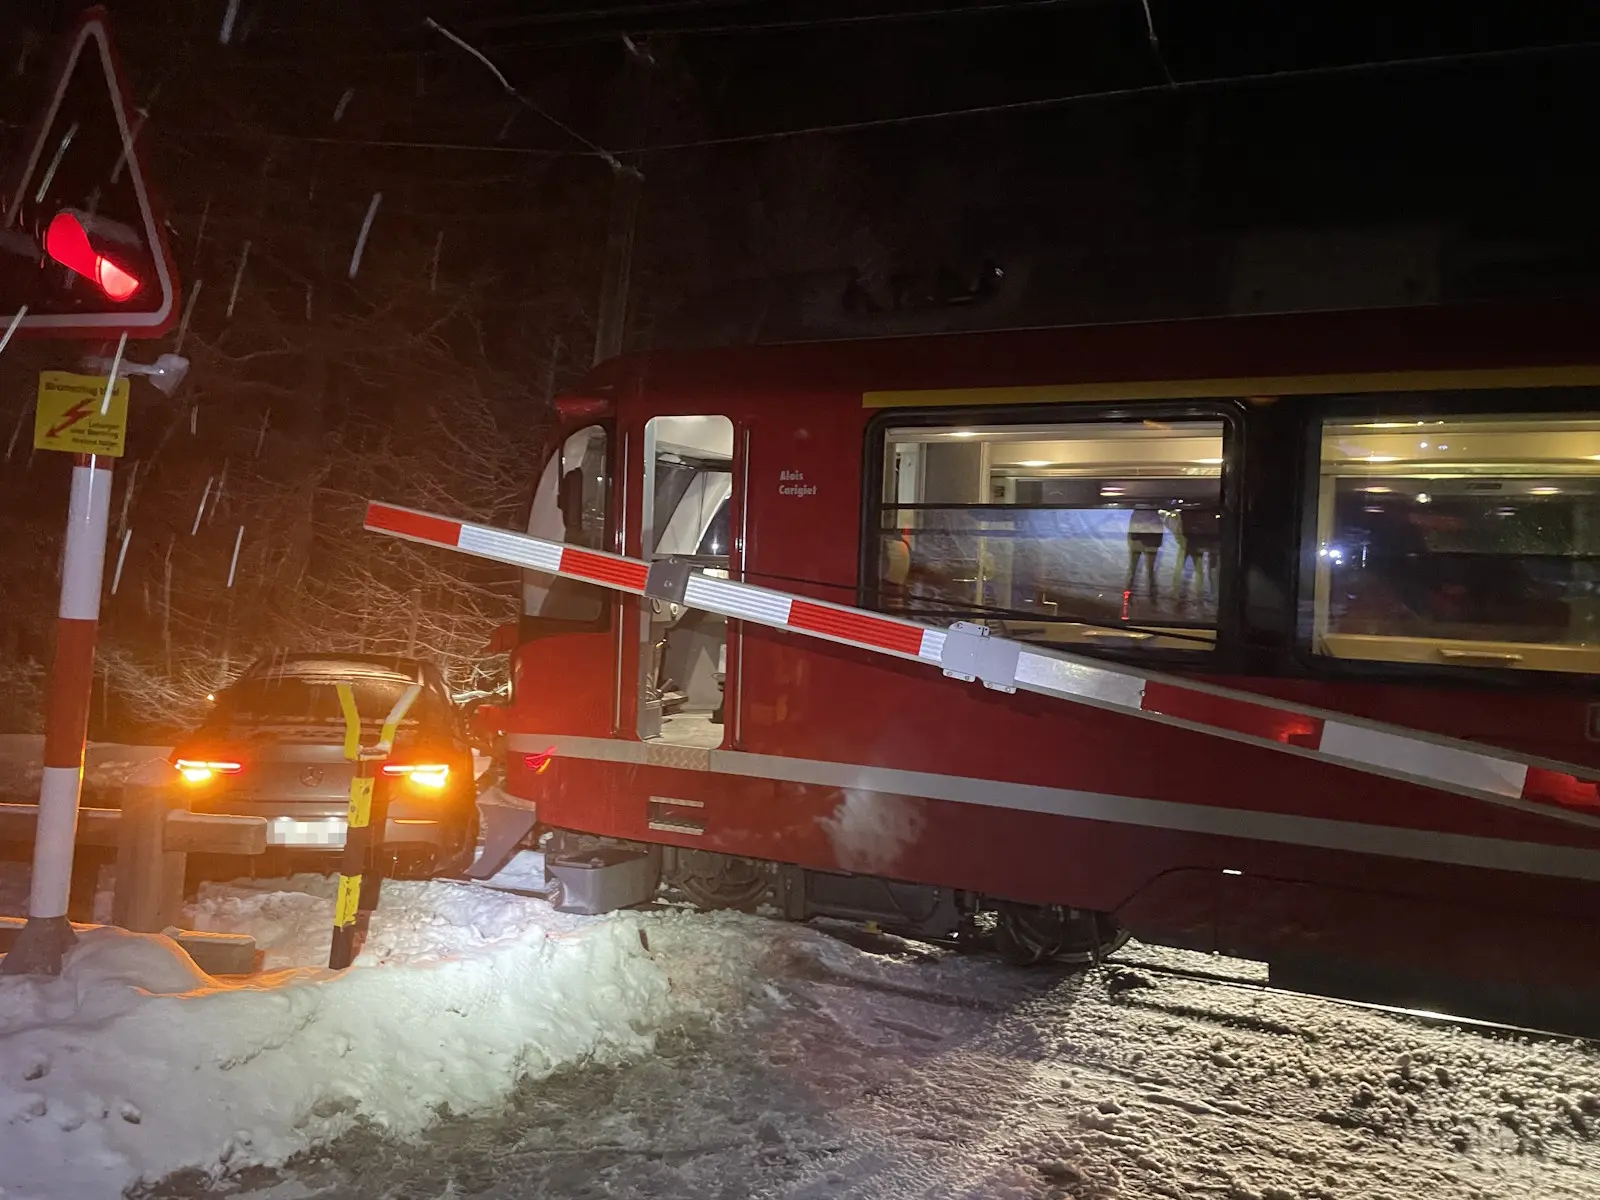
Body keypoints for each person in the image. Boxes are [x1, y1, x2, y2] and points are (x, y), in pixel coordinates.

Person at [1125, 504, 1165, 600]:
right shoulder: (1155, 506)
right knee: (1150, 570)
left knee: (1132, 569)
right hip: (1151, 539)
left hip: (1137, 537)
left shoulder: (1137, 503)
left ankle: (1128, 594)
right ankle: (1152, 596)